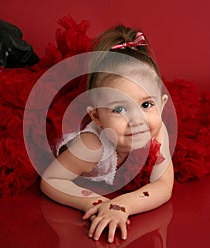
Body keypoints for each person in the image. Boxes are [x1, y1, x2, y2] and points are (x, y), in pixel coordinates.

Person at [40, 25, 174, 243]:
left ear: (162, 104)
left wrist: (122, 205)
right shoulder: (91, 146)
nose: (137, 120)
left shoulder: (156, 131)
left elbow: (163, 185)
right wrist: (94, 202)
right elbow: (51, 179)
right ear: (97, 118)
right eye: (119, 109)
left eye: (147, 104)